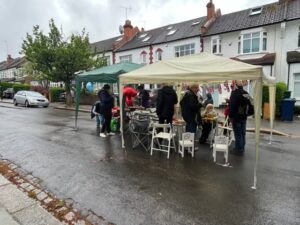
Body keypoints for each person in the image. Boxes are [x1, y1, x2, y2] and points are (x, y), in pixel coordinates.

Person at [228, 80, 250, 155]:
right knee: (242, 133)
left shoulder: (234, 93)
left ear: (236, 85)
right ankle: (242, 147)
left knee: (238, 134)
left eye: (232, 85)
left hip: (236, 117)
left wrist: (230, 116)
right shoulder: (246, 93)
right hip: (244, 116)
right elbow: (250, 104)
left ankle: (238, 149)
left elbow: (232, 107)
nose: (232, 87)